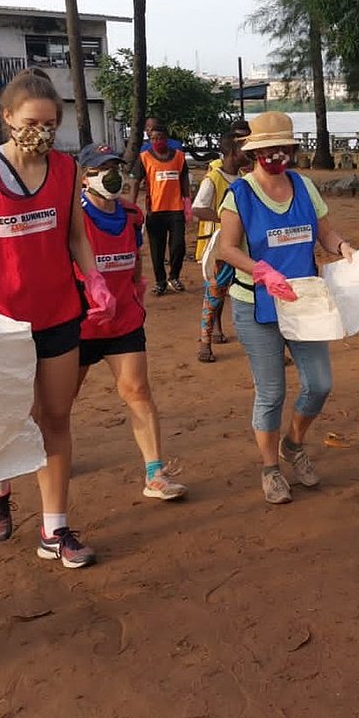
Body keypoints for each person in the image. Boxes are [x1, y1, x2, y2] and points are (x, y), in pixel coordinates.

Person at [0, 67, 116, 568]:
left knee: (56, 418)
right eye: (30, 122)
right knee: (11, 418)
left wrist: (95, 278)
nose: (39, 132)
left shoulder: (65, 170)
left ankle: (55, 529)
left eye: (49, 123)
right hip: (2, 319)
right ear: (7, 118)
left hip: (59, 314)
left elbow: (76, 237)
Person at [215, 111, 357, 505]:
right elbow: (226, 248)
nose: (277, 154)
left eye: (284, 148)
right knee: (271, 392)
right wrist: (260, 270)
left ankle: (293, 444)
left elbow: (324, 231)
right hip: (257, 303)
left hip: (304, 300)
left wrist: (343, 248)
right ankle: (270, 468)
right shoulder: (239, 194)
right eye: (269, 148)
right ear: (255, 152)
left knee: (320, 383)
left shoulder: (304, 186)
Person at [73, 143, 186, 500]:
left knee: (138, 391)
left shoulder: (132, 214)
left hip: (123, 319)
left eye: (116, 166)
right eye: (102, 168)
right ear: (84, 177)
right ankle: (47, 456)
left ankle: (156, 473)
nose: (112, 175)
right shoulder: (73, 218)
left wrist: (136, 286)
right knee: (60, 403)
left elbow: (133, 255)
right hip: (80, 324)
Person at [192, 121, 253, 363]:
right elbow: (198, 208)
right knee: (215, 293)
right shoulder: (214, 178)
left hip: (238, 243)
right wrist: (227, 219)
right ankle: (205, 341)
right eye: (243, 150)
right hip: (220, 244)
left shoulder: (240, 178)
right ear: (232, 152)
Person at [133, 119, 191, 295]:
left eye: (160, 137)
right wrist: (132, 205)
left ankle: (174, 276)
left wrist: (187, 202)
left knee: (178, 246)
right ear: (149, 139)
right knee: (157, 249)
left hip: (176, 209)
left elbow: (184, 179)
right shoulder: (144, 158)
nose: (156, 141)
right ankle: (160, 281)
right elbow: (135, 181)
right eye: (153, 138)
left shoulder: (179, 157)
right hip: (155, 210)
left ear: (166, 138)